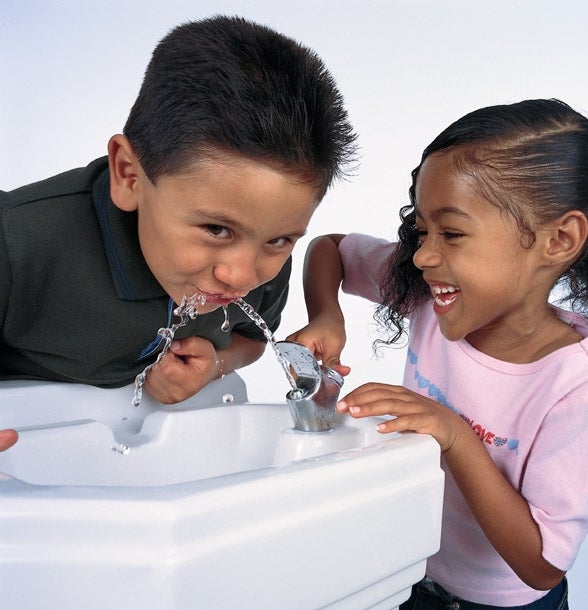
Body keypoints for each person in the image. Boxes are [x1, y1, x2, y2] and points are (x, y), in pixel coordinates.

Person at [288, 99, 588, 610]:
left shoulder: (578, 387)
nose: (423, 254)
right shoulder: (428, 292)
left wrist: (456, 437)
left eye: (452, 232)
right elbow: (331, 249)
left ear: (558, 240)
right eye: (421, 230)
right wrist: (326, 316)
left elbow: (543, 565)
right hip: (412, 582)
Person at [0, 15, 356, 450]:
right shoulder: (20, 244)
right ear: (129, 175)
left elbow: (249, 341)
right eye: (216, 229)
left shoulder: (261, 247)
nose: (241, 276)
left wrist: (217, 364)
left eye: (280, 240)